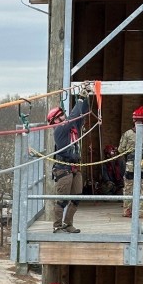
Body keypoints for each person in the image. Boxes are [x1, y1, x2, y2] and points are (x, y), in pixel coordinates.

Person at [47, 83, 93, 234]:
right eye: (60, 116)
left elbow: (80, 115)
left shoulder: (72, 129)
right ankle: (57, 225)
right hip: (63, 168)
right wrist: (80, 99)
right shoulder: (59, 130)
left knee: (77, 197)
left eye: (62, 114)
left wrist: (86, 98)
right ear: (55, 120)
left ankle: (68, 223)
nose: (63, 116)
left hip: (74, 167)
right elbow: (73, 117)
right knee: (62, 199)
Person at [117, 106, 143, 218]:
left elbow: (120, 150)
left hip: (130, 165)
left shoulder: (127, 134)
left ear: (133, 120)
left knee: (128, 187)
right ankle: (141, 211)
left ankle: (127, 210)